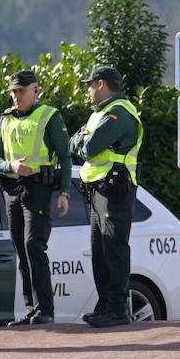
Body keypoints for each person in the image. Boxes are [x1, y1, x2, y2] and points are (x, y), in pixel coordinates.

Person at [0, 69, 72, 325]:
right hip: (12, 188)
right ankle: (31, 310)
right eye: (13, 92)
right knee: (21, 250)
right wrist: (10, 167)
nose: (16, 96)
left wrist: (65, 192)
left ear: (35, 90)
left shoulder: (49, 116)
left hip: (38, 188)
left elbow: (65, 156)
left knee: (33, 246)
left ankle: (45, 310)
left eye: (21, 91)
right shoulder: (5, 119)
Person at [70, 65, 143, 328]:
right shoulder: (100, 114)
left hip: (115, 188)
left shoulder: (119, 113)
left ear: (101, 84)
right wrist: (82, 140)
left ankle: (117, 309)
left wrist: (83, 140)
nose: (89, 90)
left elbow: (87, 147)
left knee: (114, 249)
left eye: (90, 85)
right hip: (99, 188)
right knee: (99, 252)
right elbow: (73, 143)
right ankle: (104, 306)